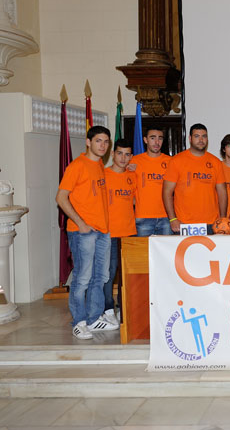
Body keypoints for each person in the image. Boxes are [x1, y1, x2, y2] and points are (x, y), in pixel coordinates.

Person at [56, 125, 118, 339]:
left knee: (100, 276)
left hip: (102, 231)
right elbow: (61, 198)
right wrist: (80, 223)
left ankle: (93, 319)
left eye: (106, 141)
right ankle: (79, 321)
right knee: (83, 278)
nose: (103, 145)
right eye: (99, 141)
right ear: (88, 142)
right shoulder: (77, 166)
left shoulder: (99, 164)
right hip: (83, 232)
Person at [162, 123, 227, 234]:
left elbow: (222, 192)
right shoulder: (176, 161)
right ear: (190, 138)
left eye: (204, 136)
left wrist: (223, 219)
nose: (201, 140)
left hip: (211, 223)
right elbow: (167, 192)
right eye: (197, 136)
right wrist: (173, 219)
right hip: (184, 224)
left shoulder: (215, 162)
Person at [104, 139, 136, 326]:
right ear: (113, 154)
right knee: (108, 275)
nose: (123, 158)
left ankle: (124, 308)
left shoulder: (133, 176)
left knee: (126, 275)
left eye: (127, 154)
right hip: (109, 234)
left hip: (129, 233)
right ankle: (108, 309)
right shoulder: (104, 175)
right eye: (120, 153)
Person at [130, 128, 172, 236]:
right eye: (152, 138)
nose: (157, 142)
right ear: (145, 140)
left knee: (166, 253)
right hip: (143, 217)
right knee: (143, 252)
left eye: (160, 138)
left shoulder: (172, 162)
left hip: (166, 217)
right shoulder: (134, 161)